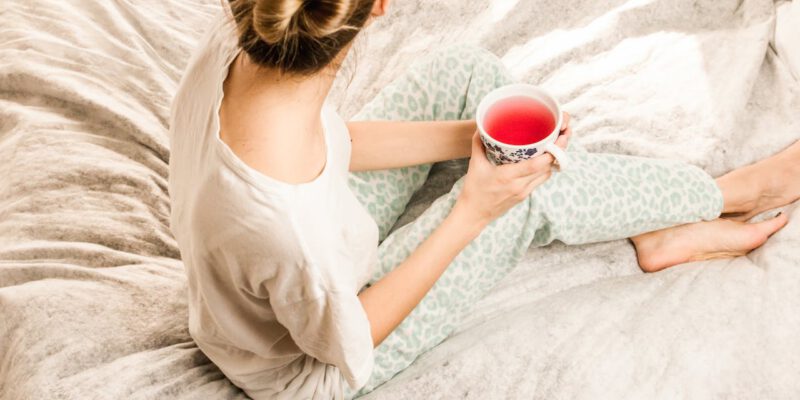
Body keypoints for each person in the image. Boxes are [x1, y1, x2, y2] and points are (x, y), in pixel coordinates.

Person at [167, 0, 797, 398]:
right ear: (378, 8)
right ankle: (724, 195)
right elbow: (347, 340)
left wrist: (475, 137)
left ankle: (652, 221)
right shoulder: (287, 233)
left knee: (468, 75)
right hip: (312, 365)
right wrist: (475, 207)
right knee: (523, 195)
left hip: (312, 237)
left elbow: (330, 143)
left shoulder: (239, 42)